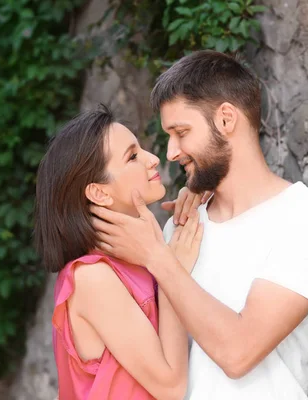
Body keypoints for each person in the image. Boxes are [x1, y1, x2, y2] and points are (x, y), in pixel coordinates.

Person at [91, 50, 308, 399]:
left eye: (181, 132)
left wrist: (158, 259)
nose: (171, 152)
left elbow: (238, 353)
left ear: (226, 119)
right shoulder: (179, 229)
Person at [34, 105, 204, 400]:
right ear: (99, 192)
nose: (153, 160)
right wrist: (169, 268)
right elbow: (171, 387)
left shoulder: (136, 261)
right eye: (133, 157)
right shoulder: (92, 277)